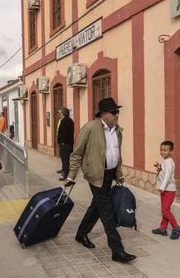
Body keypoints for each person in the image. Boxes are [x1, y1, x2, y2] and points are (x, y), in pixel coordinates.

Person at [64, 97, 136, 264]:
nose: (117, 115)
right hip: (96, 175)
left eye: (117, 112)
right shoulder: (89, 128)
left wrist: (118, 174)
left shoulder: (117, 130)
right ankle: (117, 251)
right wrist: (71, 176)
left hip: (110, 175)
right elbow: (77, 154)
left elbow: (117, 155)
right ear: (103, 114)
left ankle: (81, 234)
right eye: (114, 112)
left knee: (96, 206)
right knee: (107, 211)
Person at [152, 141, 180, 239]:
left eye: (165, 150)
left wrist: (162, 187)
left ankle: (176, 227)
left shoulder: (169, 162)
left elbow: (167, 176)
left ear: (171, 151)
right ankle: (162, 229)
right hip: (165, 190)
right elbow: (163, 172)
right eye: (161, 150)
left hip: (169, 190)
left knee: (165, 210)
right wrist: (159, 166)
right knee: (165, 210)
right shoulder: (165, 161)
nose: (162, 152)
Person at [57, 108, 74, 181]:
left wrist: (62, 142)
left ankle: (66, 176)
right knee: (65, 159)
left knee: (65, 160)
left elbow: (64, 133)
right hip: (68, 143)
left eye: (59, 113)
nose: (58, 114)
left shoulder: (65, 121)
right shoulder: (68, 120)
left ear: (62, 113)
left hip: (65, 144)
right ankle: (65, 172)